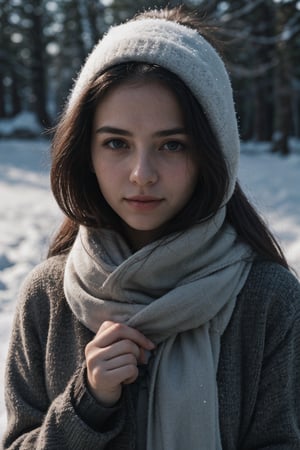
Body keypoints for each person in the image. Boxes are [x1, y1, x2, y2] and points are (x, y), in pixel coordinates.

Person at [3, 6, 300, 450]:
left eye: (172, 144)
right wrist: (86, 404)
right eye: (117, 143)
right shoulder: (47, 298)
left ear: (213, 152)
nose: (142, 173)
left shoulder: (268, 301)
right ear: (86, 152)